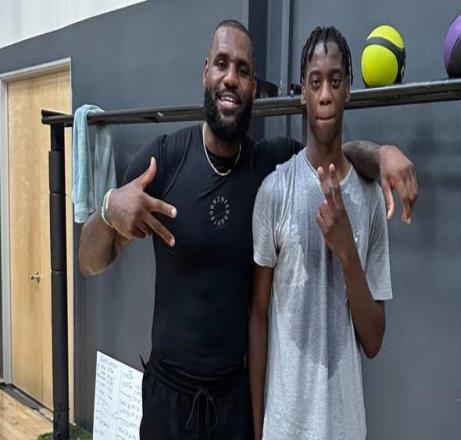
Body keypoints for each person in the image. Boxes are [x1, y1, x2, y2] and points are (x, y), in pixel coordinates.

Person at [79, 20, 416, 440]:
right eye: (221, 64)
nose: (230, 78)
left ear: (254, 87)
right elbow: (89, 261)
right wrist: (108, 209)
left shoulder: (267, 166)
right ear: (206, 71)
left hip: (233, 404)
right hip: (168, 402)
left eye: (242, 69)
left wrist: (381, 154)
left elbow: (330, 150)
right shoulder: (162, 162)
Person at [249, 25, 394, 440]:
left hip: (345, 428)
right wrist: (259, 428)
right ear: (303, 93)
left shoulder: (369, 198)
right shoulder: (274, 191)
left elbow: (373, 340)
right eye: (315, 82)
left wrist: (347, 252)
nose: (325, 94)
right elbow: (258, 315)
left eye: (335, 81)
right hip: (285, 427)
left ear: (348, 89)